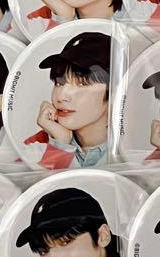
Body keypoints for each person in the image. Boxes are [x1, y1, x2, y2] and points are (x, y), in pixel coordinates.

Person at [23, 30, 112, 170]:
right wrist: (60, 145)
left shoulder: (133, 148)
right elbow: (42, 184)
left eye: (82, 84)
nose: (61, 96)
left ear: (114, 91)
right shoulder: (35, 145)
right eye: (59, 83)